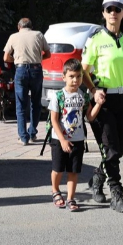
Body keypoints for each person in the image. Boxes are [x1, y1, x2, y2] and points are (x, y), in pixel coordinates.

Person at [81, 0, 123, 213]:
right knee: (110, 148)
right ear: (103, 13)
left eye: (117, 9)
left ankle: (97, 179)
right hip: (104, 101)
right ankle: (117, 193)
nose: (113, 13)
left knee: (119, 147)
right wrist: (93, 91)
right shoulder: (95, 39)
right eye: (109, 9)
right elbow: (83, 72)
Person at [48, 59, 103, 212]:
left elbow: (90, 117)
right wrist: (63, 140)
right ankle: (55, 190)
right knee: (58, 169)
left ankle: (71, 198)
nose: (75, 80)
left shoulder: (83, 97)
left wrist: (98, 104)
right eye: (71, 76)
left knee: (73, 171)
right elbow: (54, 119)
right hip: (59, 139)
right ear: (63, 77)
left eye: (79, 76)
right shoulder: (58, 96)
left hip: (77, 139)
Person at [2, 17, 51, 145]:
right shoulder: (39, 34)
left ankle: (23, 137)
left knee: (21, 104)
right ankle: (32, 133)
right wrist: (39, 58)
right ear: (31, 26)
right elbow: (48, 54)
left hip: (21, 70)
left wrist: (17, 60)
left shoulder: (14, 36)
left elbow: (6, 57)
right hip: (36, 70)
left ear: (19, 27)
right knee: (36, 103)